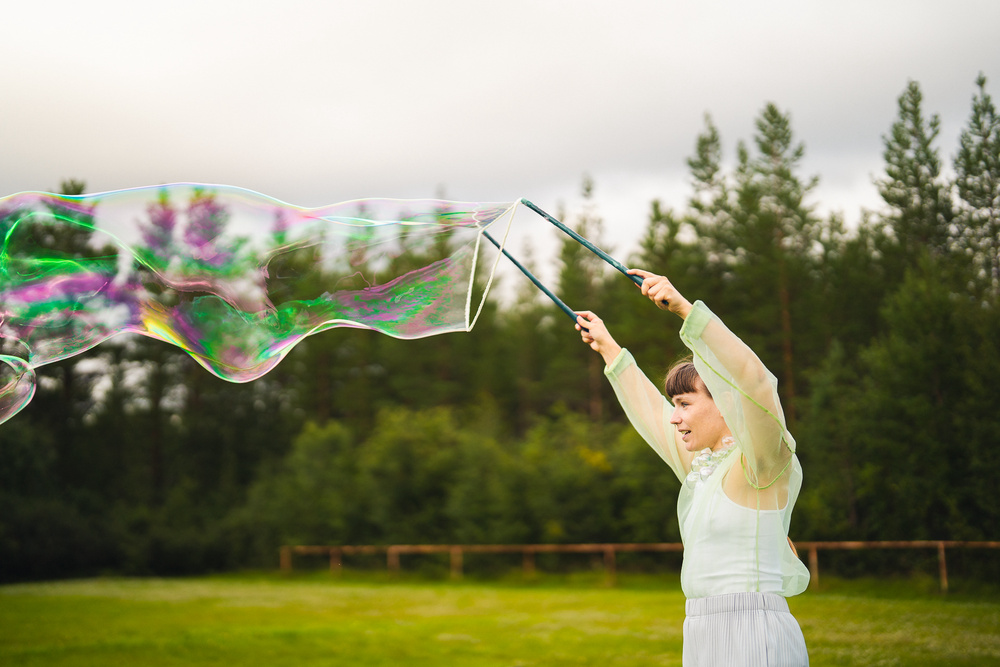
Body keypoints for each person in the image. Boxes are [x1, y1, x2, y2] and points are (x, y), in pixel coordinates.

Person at [576, 268, 810, 667]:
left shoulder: (763, 462)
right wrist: (609, 349)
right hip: (700, 631)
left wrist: (687, 311)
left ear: (723, 401)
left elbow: (755, 384)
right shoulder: (703, 468)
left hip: (753, 633)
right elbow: (650, 412)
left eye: (684, 404)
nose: (674, 417)